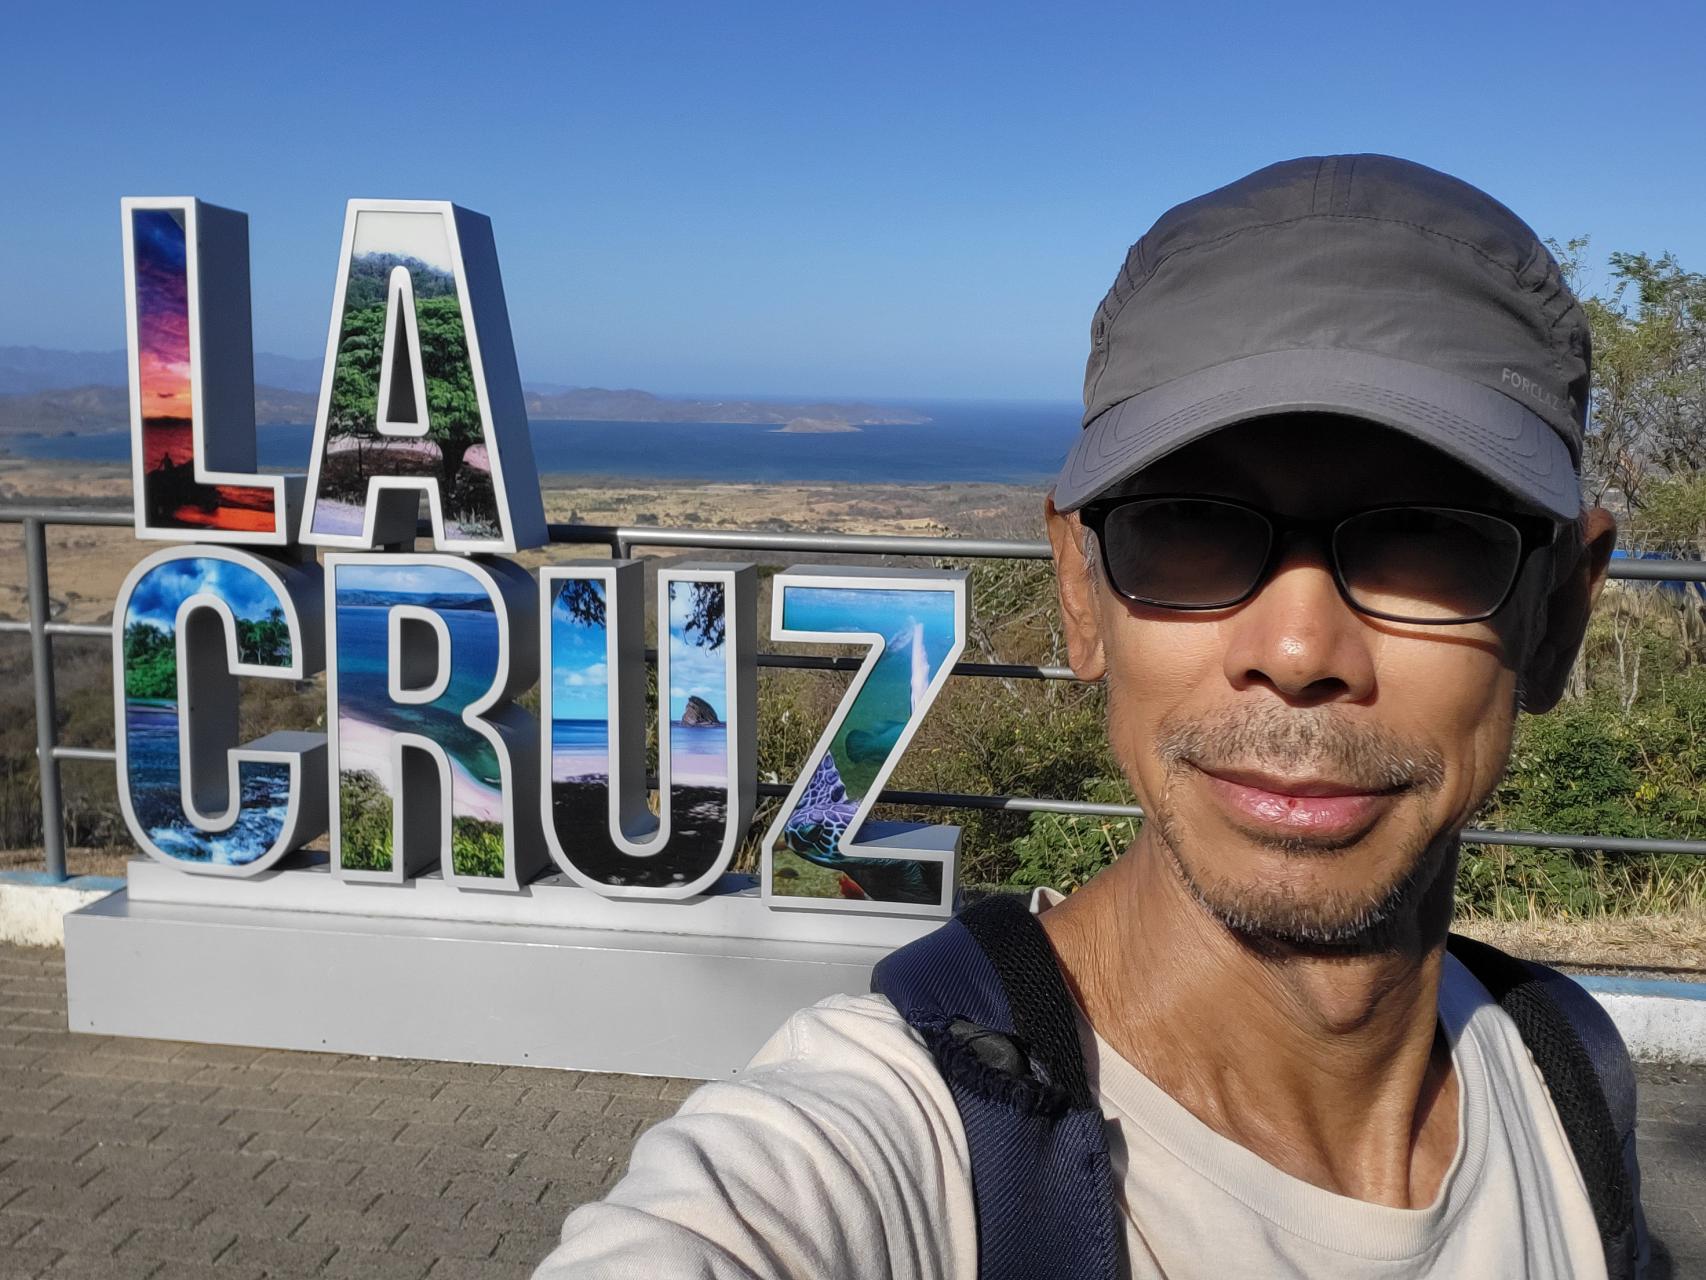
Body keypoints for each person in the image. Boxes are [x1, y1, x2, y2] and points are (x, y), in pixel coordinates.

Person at [533, 154, 1647, 1279]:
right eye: (1188, 521)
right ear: (1079, 588)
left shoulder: (1564, 1086)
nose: (1298, 649)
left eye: (1428, 533)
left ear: (1557, 611)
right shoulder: (899, 1131)